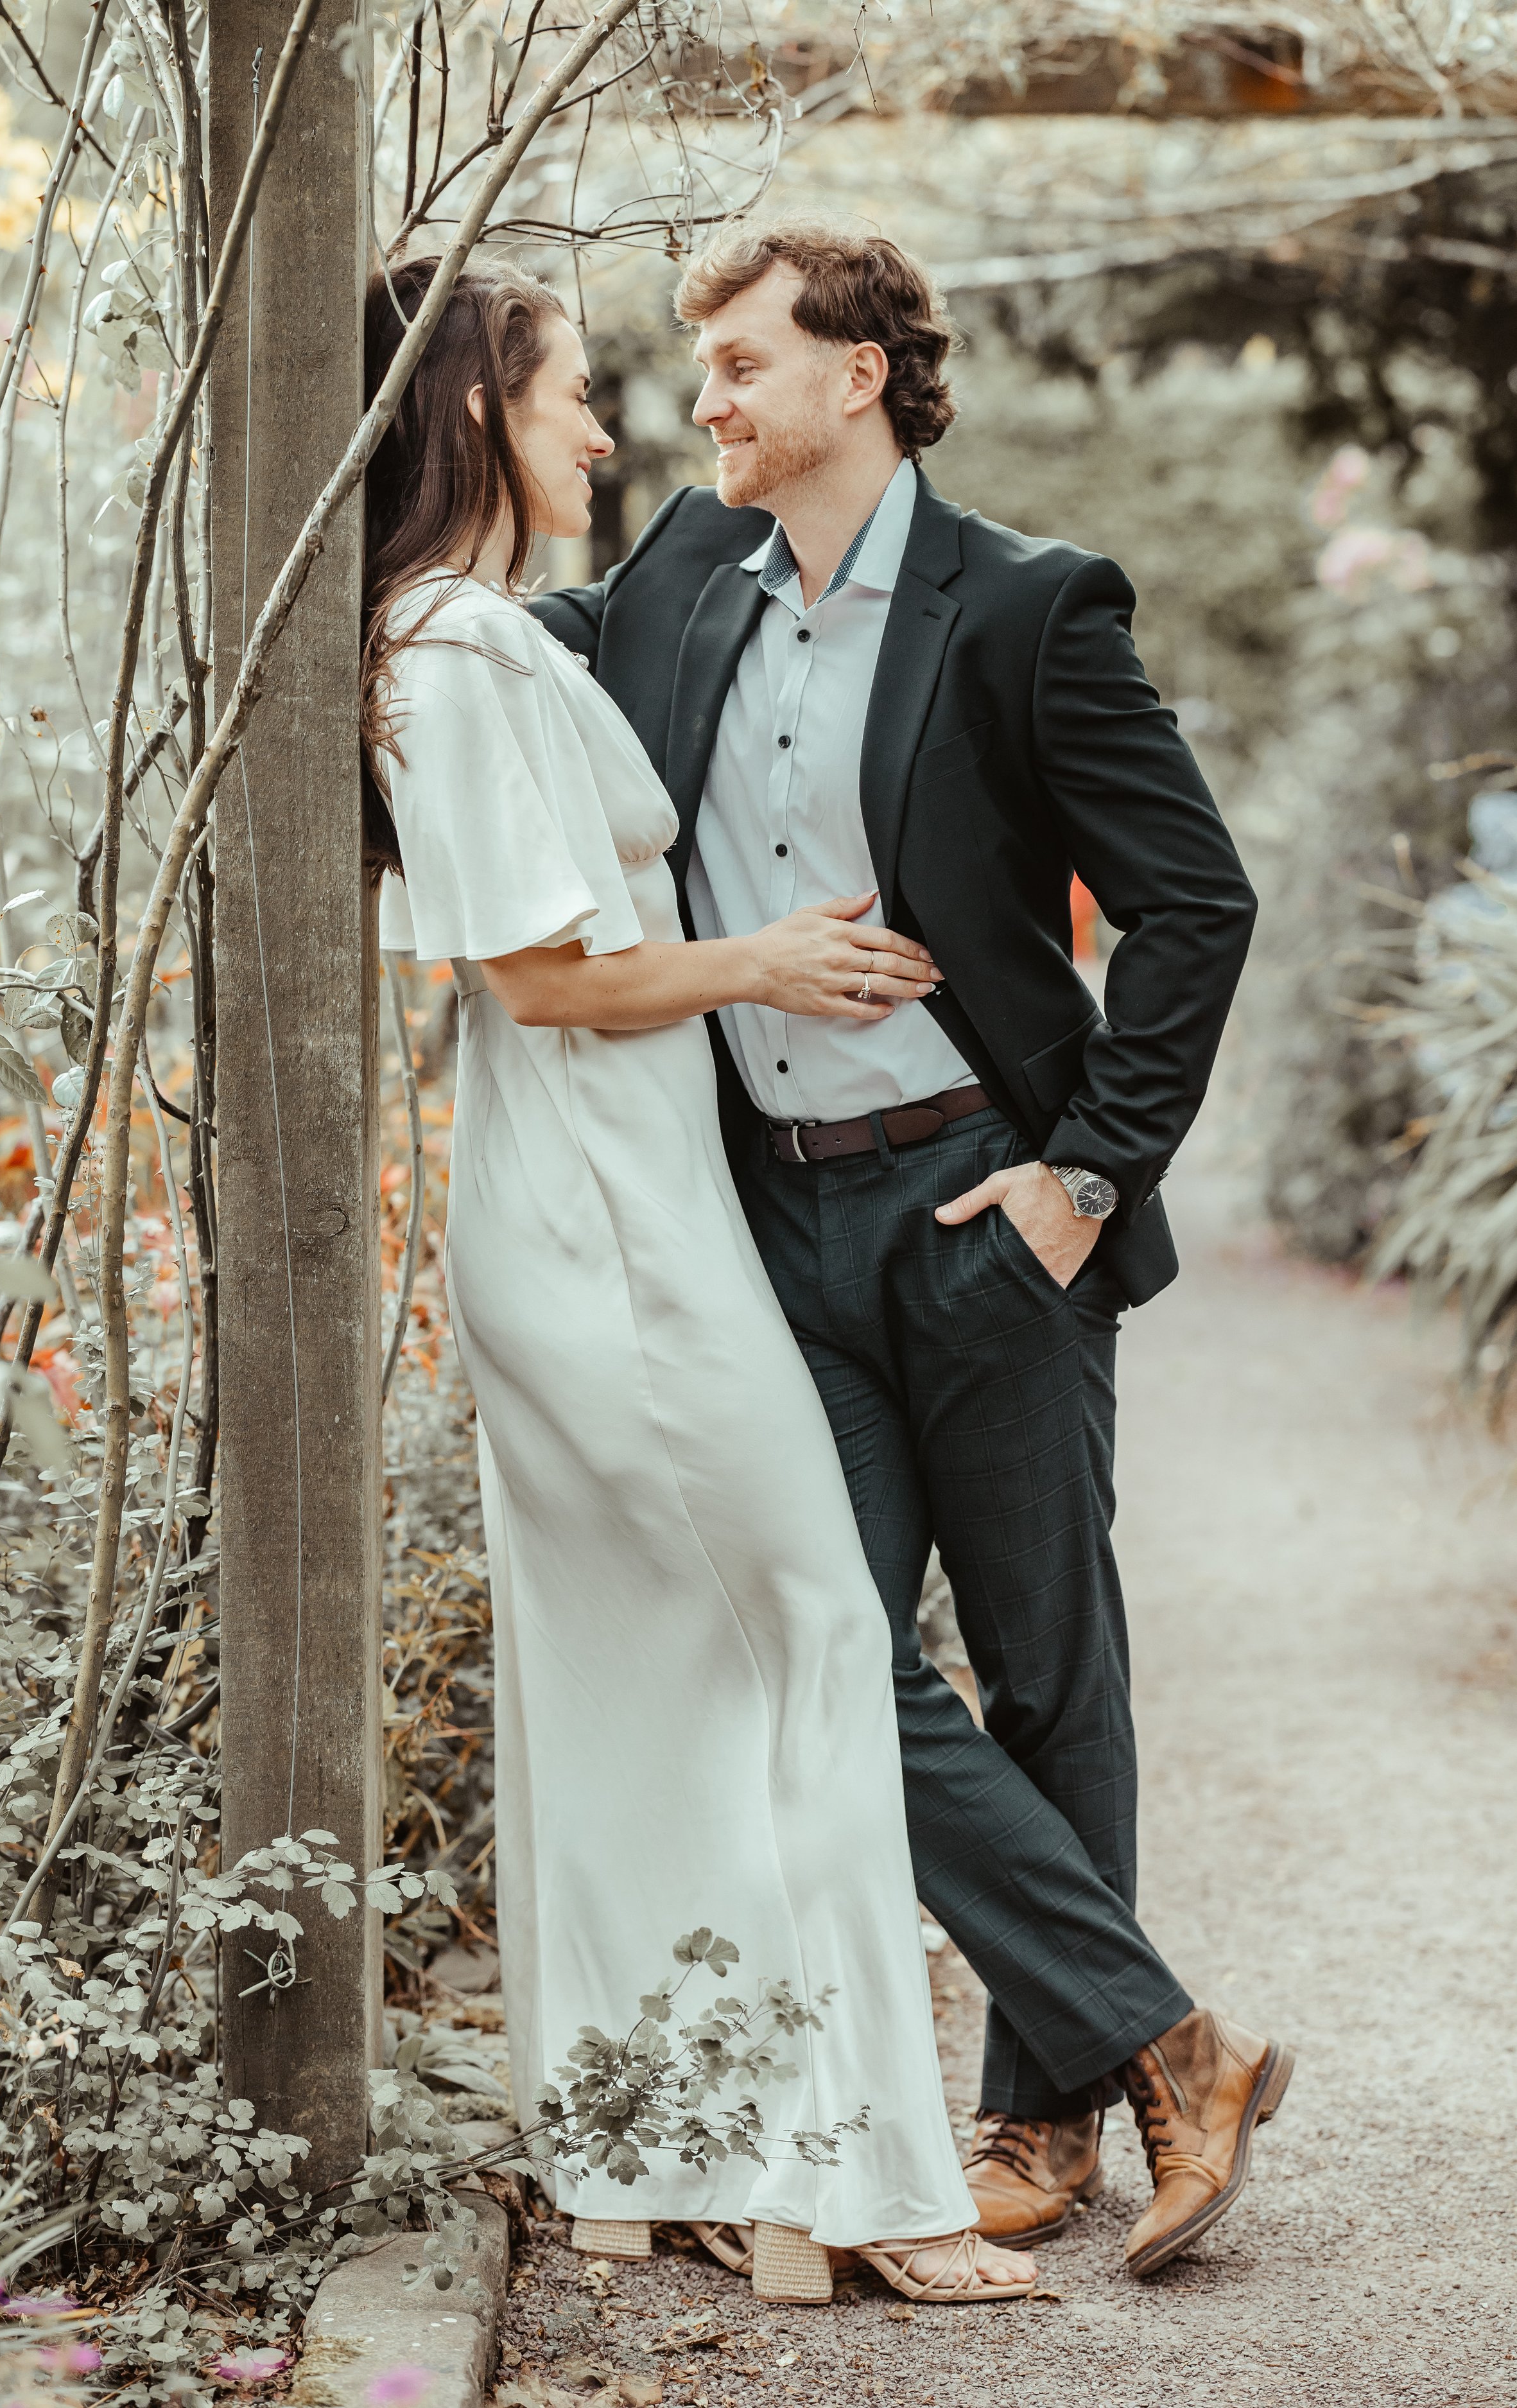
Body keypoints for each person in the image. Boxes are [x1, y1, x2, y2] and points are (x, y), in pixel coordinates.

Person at [530, 218, 1293, 2280]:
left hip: (980, 1203)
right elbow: (501, 659)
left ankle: (1040, 2120)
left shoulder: (1026, 607)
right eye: (697, 367)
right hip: (771, 1217)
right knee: (825, 1658)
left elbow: (1194, 903)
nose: (706, 399)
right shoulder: (680, 572)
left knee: (1044, 1667)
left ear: (856, 375)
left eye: (742, 363)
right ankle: (1175, 2047)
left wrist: (1082, 1179)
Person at [364, 254, 1039, 2307]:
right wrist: (768, 961)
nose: (604, 430)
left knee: (642, 1687)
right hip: (610, 1235)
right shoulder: (456, 650)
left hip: (604, 1206)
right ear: (472, 410)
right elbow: (541, 978)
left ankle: (647, 2152)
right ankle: (867, 2186)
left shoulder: (459, 638)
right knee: (815, 1635)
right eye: (569, 393)